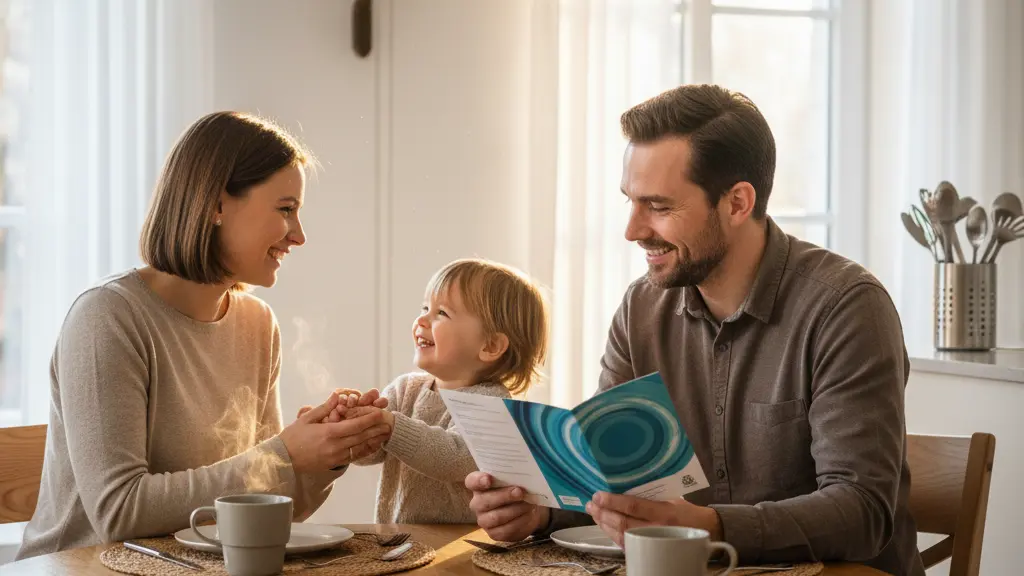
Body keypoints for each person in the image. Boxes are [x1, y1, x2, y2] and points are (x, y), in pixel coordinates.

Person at [465, 84, 925, 576]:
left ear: (737, 203)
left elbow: (863, 512)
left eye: (659, 207)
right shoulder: (641, 308)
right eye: (631, 202)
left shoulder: (845, 307)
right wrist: (542, 510)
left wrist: (711, 528)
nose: (633, 230)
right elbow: (611, 476)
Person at [17, 112, 391, 560]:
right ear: (216, 205)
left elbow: (263, 513)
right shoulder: (107, 318)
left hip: (189, 569)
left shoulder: (256, 325)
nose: (299, 235)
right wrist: (283, 454)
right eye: (285, 209)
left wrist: (326, 453)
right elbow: (117, 513)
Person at [343, 258, 548, 523]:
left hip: (456, 549)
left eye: (441, 313)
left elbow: (455, 458)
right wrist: (355, 429)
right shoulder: (405, 389)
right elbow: (373, 454)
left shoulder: (491, 403)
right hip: (398, 542)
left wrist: (390, 427)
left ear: (490, 345)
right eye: (425, 307)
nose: (421, 319)